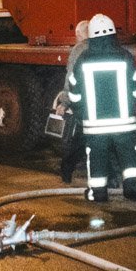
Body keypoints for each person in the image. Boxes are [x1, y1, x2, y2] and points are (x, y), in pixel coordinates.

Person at [66, 13, 136, 202]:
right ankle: (133, 189)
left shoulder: (83, 59)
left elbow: (74, 93)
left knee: (96, 158)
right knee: (129, 157)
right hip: (124, 123)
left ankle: (97, 193)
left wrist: (81, 114)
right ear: (113, 34)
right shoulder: (125, 56)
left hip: (95, 125)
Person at [57, 19, 89, 183]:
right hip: (102, 107)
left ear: (78, 35)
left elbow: (71, 79)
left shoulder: (79, 50)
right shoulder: (101, 48)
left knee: (77, 140)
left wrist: (64, 102)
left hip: (83, 106)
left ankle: (66, 172)